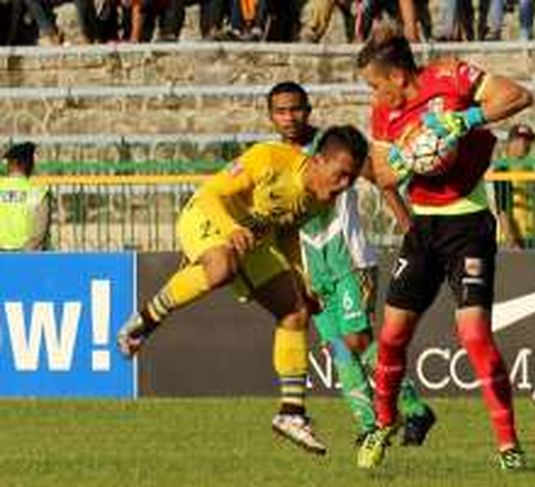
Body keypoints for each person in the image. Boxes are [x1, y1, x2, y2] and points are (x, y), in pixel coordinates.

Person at [116, 126, 369, 455]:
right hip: (209, 217)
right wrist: (231, 228)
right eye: (341, 175)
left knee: (295, 312)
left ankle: (291, 415)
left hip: (253, 242)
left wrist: (300, 274)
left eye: (352, 179)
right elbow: (211, 195)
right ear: (318, 160)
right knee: (221, 266)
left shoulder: (323, 201)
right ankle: (147, 318)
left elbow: (287, 232)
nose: (345, 185)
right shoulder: (268, 159)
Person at [355, 21, 533, 469]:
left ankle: (509, 447)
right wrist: (405, 156)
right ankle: (382, 424)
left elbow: (518, 96)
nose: (375, 96)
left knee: (474, 336)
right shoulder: (384, 115)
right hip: (423, 231)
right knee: (393, 335)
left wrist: (465, 119)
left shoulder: (450, 77)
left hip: (468, 226)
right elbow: (383, 176)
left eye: (377, 85)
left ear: (397, 75)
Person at [266, 81, 436, 445]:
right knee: (340, 348)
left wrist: (409, 226)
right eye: (280, 110)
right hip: (313, 270)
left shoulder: (333, 146)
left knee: (357, 340)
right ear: (270, 116)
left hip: (350, 261)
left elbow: (382, 180)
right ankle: (369, 426)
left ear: (308, 110)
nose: (288, 117)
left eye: (295, 108)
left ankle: (412, 406)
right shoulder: (274, 158)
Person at [496, 123, 535, 250]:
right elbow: (502, 209)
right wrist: (511, 240)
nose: (524, 144)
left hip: (534, 238)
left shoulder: (530, 169)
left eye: (528, 140)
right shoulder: (503, 169)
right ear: (510, 142)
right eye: (519, 139)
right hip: (514, 239)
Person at [0, 142, 51, 251]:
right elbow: (39, 234)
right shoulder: (38, 193)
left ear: (11, 164)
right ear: (29, 165)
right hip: (26, 259)